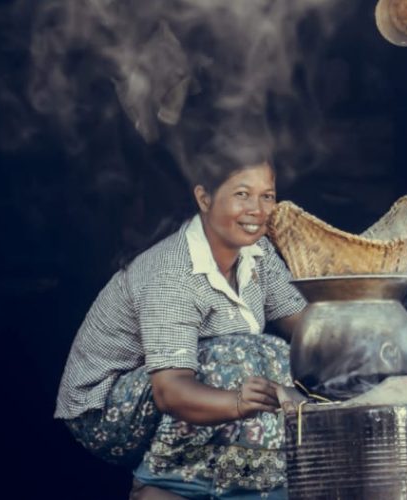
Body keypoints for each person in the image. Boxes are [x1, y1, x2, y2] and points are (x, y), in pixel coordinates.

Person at [54, 139, 307, 499]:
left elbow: (307, 329)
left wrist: (361, 315)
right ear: (204, 199)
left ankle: (242, 484)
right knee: (238, 358)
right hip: (105, 410)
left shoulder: (259, 253)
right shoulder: (173, 272)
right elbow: (169, 390)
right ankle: (163, 485)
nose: (258, 209)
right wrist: (237, 402)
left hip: (176, 395)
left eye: (267, 196)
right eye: (242, 194)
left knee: (278, 358)